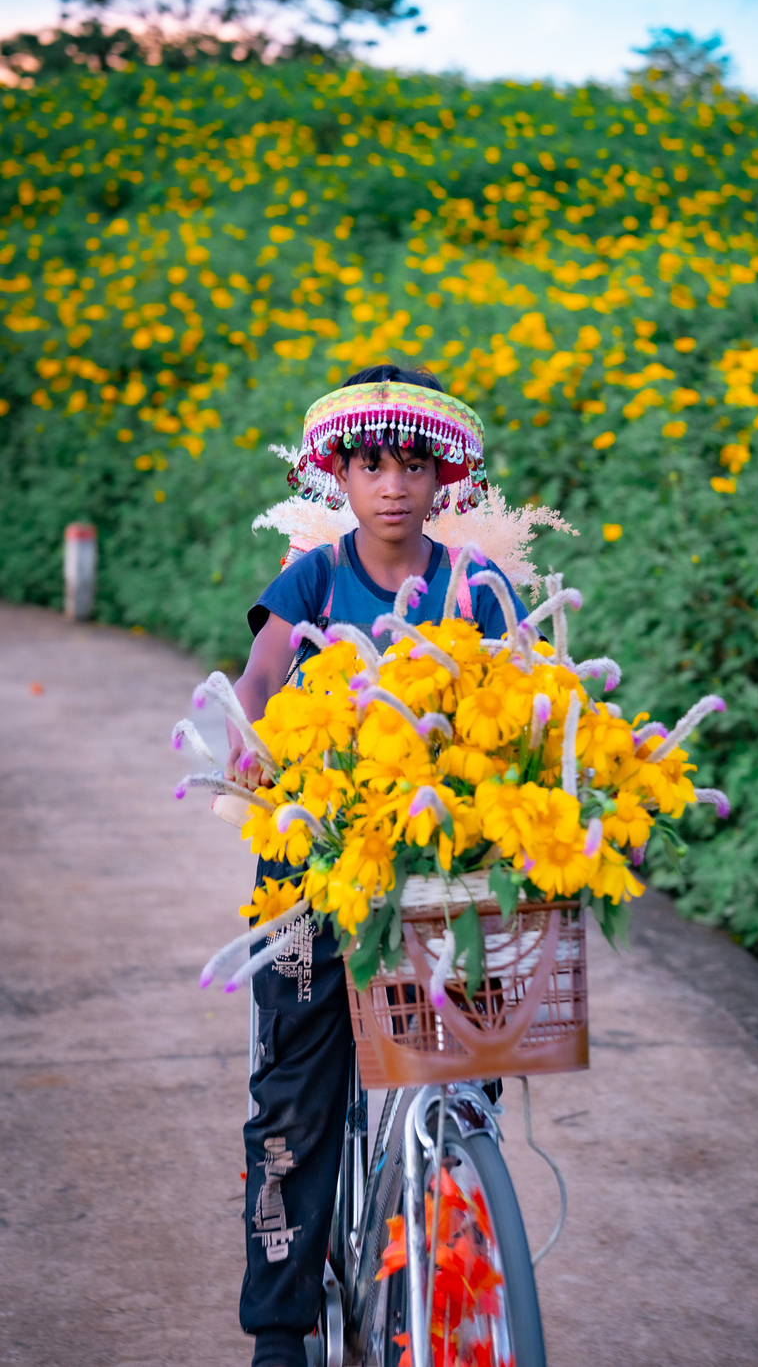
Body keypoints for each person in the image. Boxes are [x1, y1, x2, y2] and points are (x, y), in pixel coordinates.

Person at [225, 363, 529, 1367]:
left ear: (445, 480)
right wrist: (259, 743)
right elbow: (267, 674)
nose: (392, 484)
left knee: (467, 1065)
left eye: (411, 465)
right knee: (297, 1104)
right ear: (338, 481)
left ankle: (446, 1261)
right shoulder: (313, 577)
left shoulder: (473, 584)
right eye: (369, 465)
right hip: (319, 863)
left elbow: (526, 689)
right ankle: (279, 1324)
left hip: (439, 861)